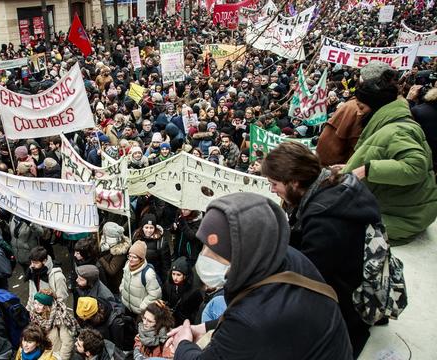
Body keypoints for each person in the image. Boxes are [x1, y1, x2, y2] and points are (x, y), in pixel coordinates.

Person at [168, 193, 353, 359]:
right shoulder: (282, 256)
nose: (205, 256)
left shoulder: (251, 319)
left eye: (216, 251)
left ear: (242, 252)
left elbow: (248, 323)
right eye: (205, 246)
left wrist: (183, 345)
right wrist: (206, 327)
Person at [263, 141, 380, 356]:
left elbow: (307, 276)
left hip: (344, 309)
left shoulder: (325, 220)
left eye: (274, 183)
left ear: (295, 182)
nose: (272, 189)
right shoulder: (335, 185)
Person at [343, 69, 437, 243]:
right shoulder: (389, 124)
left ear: (377, 106)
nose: (358, 113)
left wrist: (367, 169)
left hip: (404, 216)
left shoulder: (399, 129)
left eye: (361, 107)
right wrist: (349, 168)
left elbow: (415, 167)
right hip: (398, 208)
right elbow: (383, 154)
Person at [29, 289, 78, 360]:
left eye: (40, 304)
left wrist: (60, 358)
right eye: (35, 303)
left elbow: (68, 343)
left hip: (56, 355)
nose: (36, 307)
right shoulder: (35, 316)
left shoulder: (59, 318)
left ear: (47, 306)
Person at [120, 240, 162, 316]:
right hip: (127, 307)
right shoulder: (127, 265)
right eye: (129, 256)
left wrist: (142, 307)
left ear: (141, 259)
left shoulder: (148, 273)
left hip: (139, 313)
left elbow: (155, 294)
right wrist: (122, 290)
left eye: (134, 257)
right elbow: (124, 279)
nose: (131, 259)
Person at [162, 257, 203, 327]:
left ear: (185, 276)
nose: (175, 278)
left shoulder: (194, 292)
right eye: (173, 274)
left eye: (178, 275)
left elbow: (196, 312)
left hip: (185, 323)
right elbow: (164, 299)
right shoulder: (168, 284)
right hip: (170, 320)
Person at [132, 214, 171, 283]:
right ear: (142, 227)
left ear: (155, 228)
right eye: (146, 227)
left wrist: (164, 280)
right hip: (137, 273)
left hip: (153, 275)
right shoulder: (136, 236)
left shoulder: (161, 242)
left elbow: (166, 265)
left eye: (151, 227)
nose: (149, 230)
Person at [97, 222, 131, 295]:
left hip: (115, 286)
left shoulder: (120, 251)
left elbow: (112, 271)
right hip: (108, 282)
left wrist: (101, 259)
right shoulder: (108, 245)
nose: (103, 236)